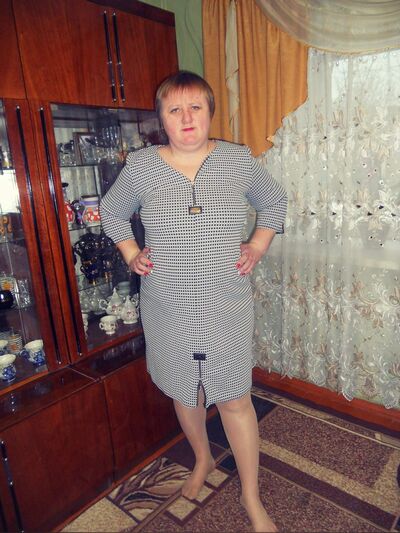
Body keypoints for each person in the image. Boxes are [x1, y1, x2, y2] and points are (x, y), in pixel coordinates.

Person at [100, 71, 287, 533]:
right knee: (186, 391)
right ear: (162, 119)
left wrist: (257, 245)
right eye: (174, 109)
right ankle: (202, 458)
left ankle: (250, 495)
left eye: (195, 107)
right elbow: (112, 212)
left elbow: (274, 202)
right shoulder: (141, 166)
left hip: (226, 305)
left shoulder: (237, 160)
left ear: (209, 113)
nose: (186, 118)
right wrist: (131, 252)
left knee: (235, 399)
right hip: (167, 307)